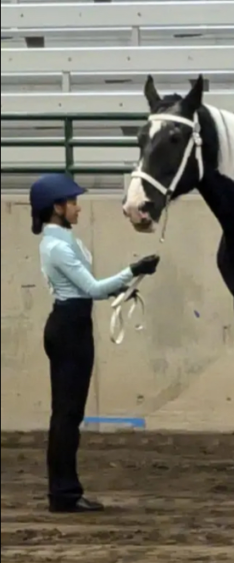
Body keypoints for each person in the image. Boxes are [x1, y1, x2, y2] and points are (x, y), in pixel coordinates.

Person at [30, 173, 161, 513]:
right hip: (69, 328)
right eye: (72, 202)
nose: (78, 208)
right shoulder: (58, 247)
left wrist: (126, 282)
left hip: (73, 323)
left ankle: (65, 491)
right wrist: (133, 269)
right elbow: (92, 288)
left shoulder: (63, 241)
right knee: (67, 414)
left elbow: (90, 289)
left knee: (69, 413)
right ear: (56, 208)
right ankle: (63, 494)